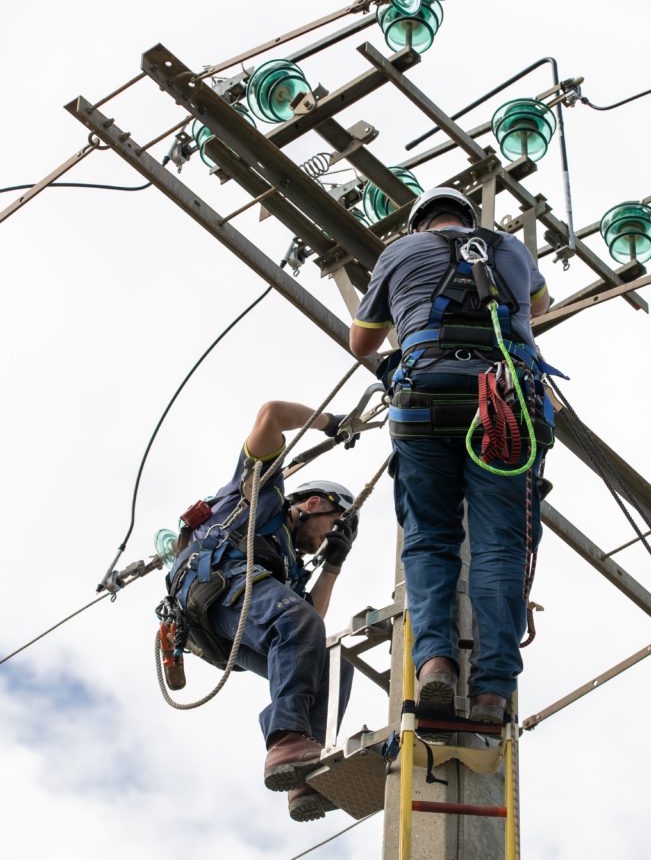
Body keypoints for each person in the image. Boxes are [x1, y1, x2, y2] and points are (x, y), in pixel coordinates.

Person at [349, 186, 553, 724]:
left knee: (430, 539)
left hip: (423, 403)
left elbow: (362, 343)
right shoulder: (510, 248)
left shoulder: (400, 250)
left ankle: (436, 663)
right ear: (468, 217)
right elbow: (538, 306)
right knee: (500, 548)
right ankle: (492, 690)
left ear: (421, 224)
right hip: (504, 407)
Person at [165, 399, 358, 822]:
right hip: (214, 586)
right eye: (332, 525)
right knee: (296, 622)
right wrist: (331, 423)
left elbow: (310, 629)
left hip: (226, 623)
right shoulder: (261, 496)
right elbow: (271, 413)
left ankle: (304, 774)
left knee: (332, 663)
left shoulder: (288, 564)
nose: (328, 538)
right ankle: (287, 739)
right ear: (312, 504)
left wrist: (334, 565)